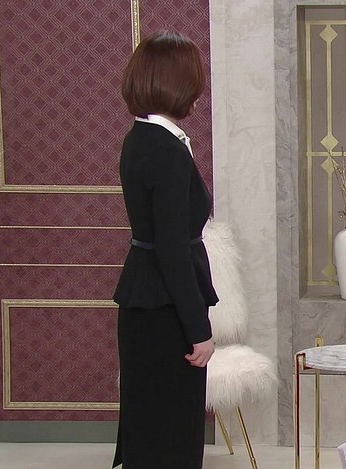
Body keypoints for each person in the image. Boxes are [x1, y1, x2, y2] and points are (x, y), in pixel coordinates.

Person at [112, 31, 218, 469]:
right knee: (169, 436)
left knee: (152, 429)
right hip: (164, 311)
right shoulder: (165, 149)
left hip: (148, 304)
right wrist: (198, 329)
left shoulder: (142, 137)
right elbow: (172, 251)